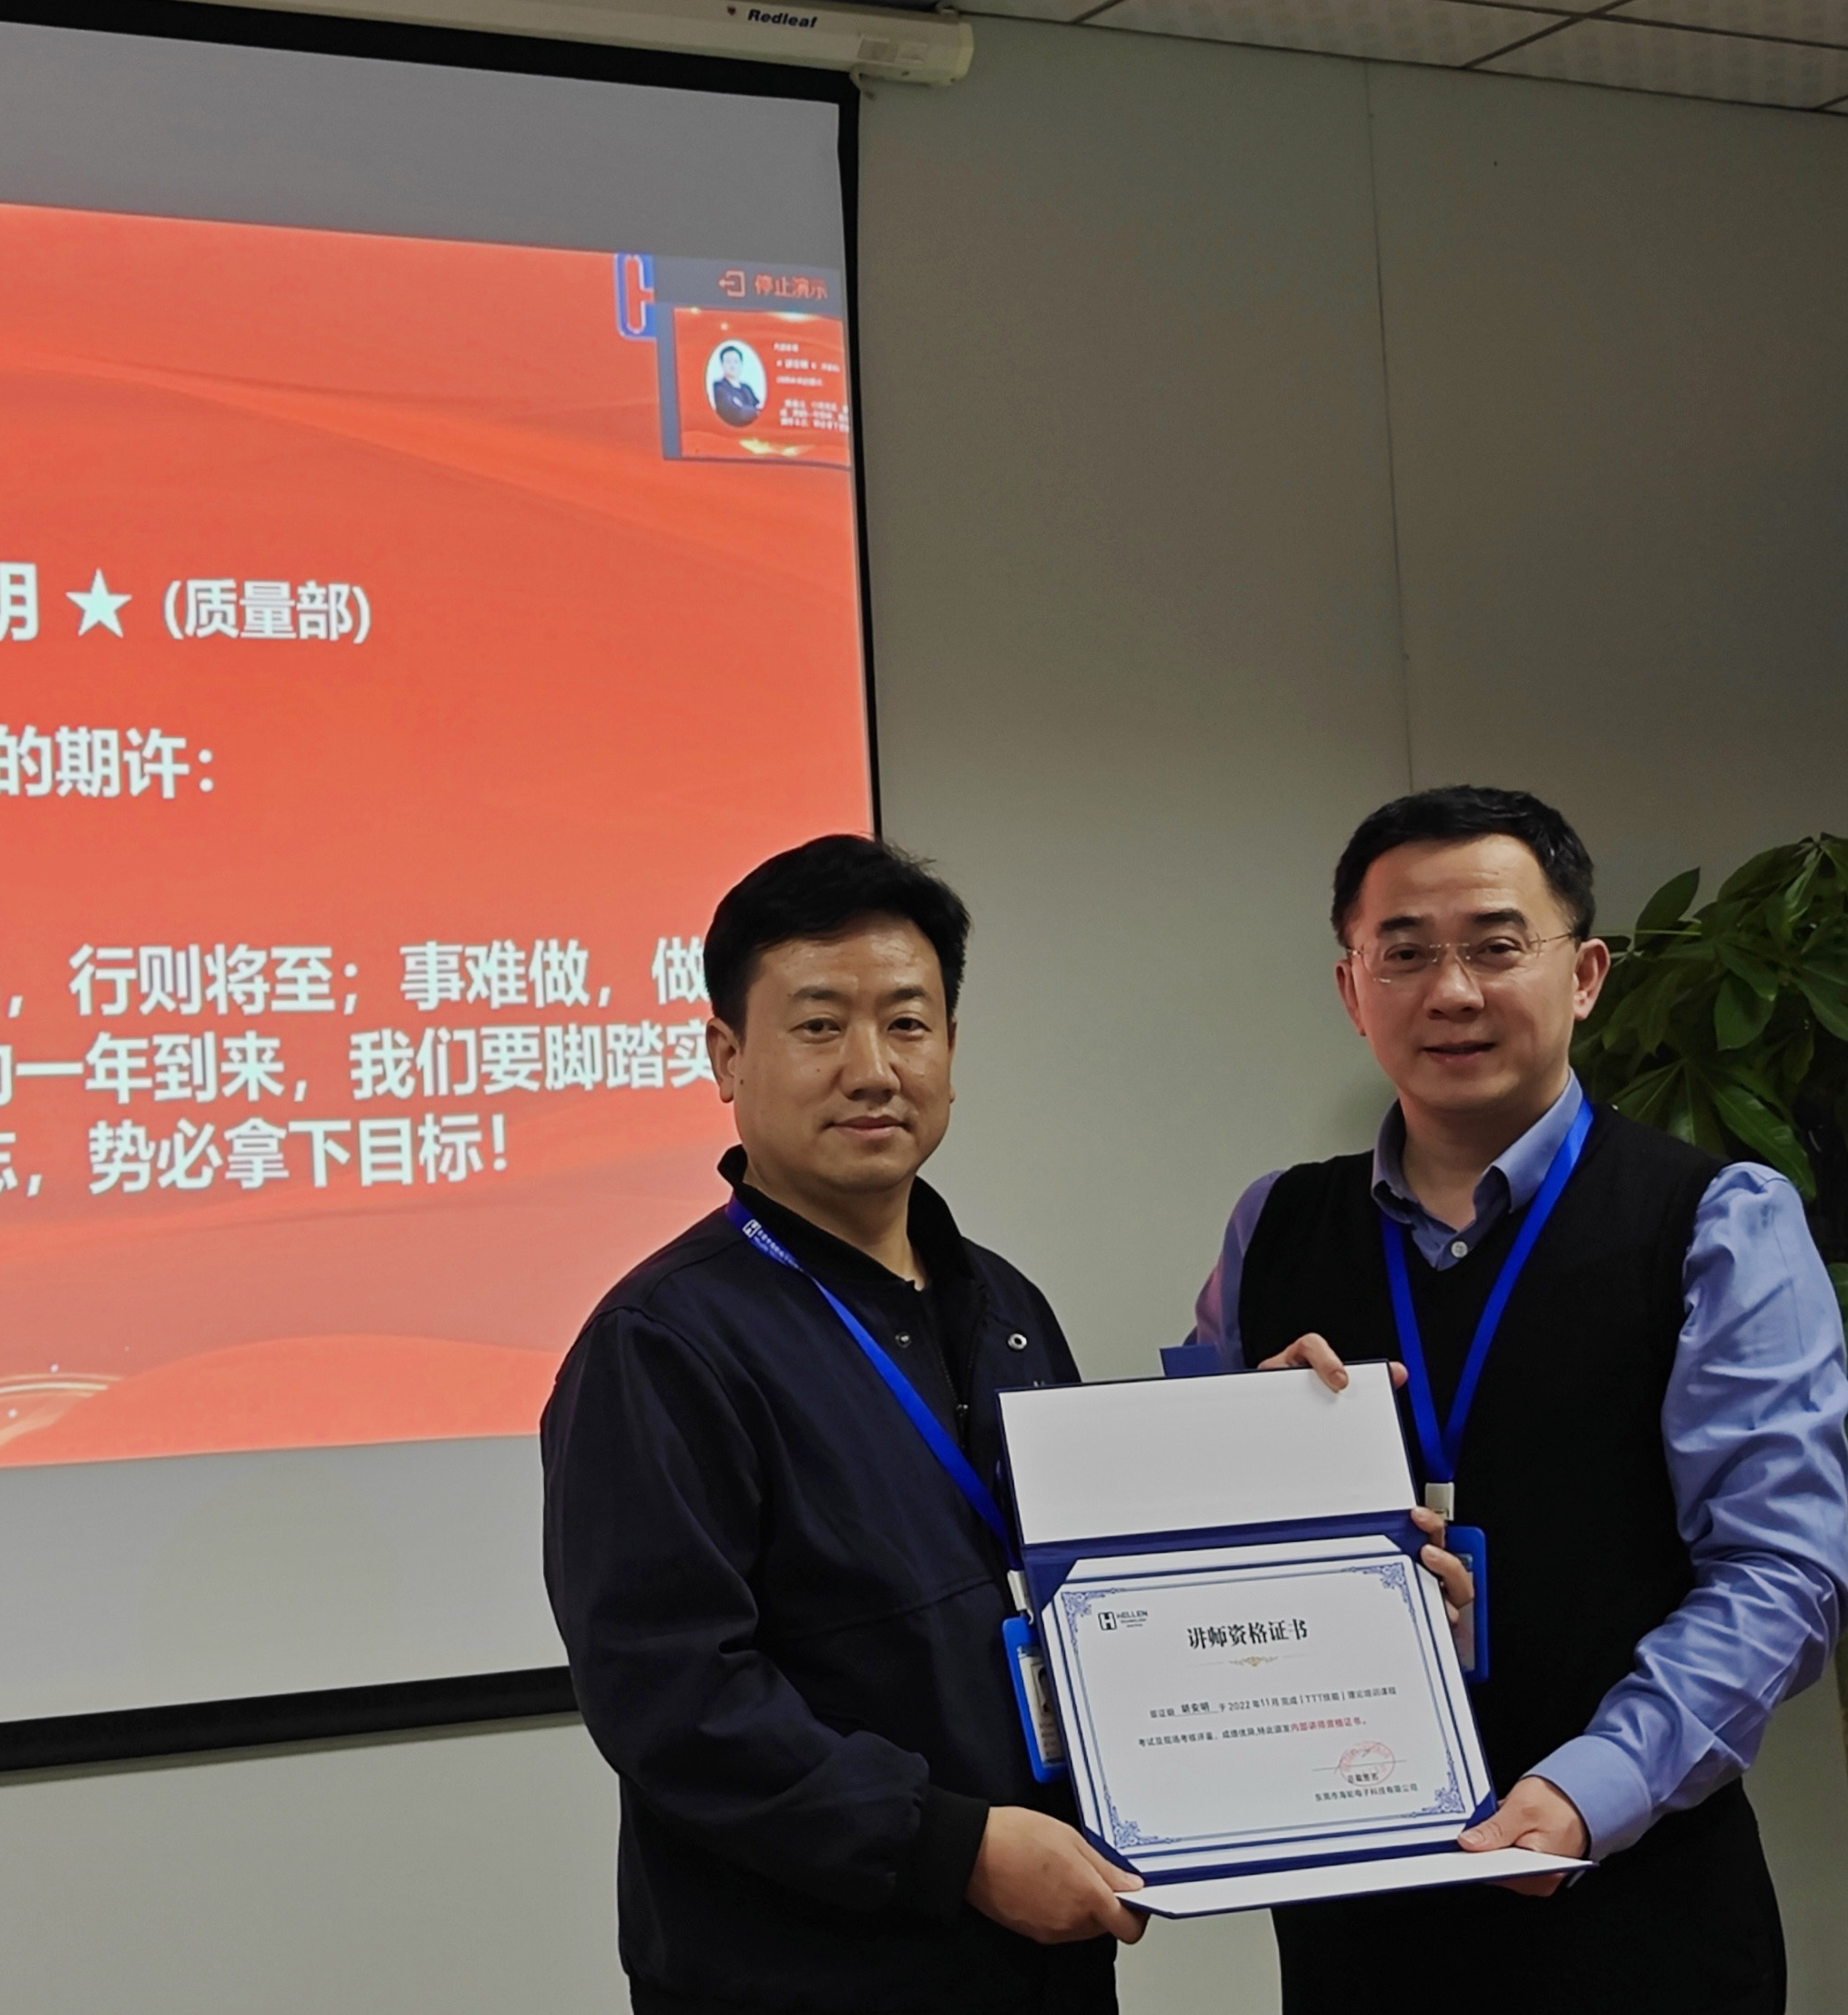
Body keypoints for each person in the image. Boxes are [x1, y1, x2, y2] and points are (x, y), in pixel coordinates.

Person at [545, 834, 1472, 2013]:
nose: (871, 1068)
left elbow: (1097, 1589)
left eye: (907, 1023)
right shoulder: (663, 1343)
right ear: (726, 1055)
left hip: (1037, 1960)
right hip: (810, 1975)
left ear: (950, 1047)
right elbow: (674, 1701)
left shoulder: (1004, 1306)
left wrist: (1287, 1474)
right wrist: (954, 1849)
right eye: (819, 1025)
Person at [1188, 786, 1848, 2013]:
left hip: (1636, 1911)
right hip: (1357, 1921)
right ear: (1350, 989)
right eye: (1403, 953)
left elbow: (1780, 1575)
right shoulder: (1271, 1226)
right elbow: (1182, 1561)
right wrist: (1237, 1465)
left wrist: (1589, 1789)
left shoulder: (1713, 1222)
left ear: (1584, 975)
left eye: (1495, 947)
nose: (1451, 992)